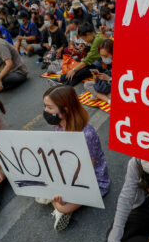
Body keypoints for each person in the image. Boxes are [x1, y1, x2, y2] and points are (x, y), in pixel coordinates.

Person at [41, 85, 110, 231]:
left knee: (61, 205)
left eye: (49, 107)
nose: (45, 111)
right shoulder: (58, 125)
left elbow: (85, 172)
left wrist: (63, 190)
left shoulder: (86, 134)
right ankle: (58, 204)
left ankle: (61, 208)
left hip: (90, 180)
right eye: (45, 106)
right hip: (67, 173)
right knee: (43, 188)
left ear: (65, 109)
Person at [83, 39, 113, 103]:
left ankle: (100, 95)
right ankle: (107, 99)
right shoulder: (101, 61)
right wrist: (95, 77)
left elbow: (122, 83)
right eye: (101, 55)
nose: (103, 58)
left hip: (113, 86)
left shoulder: (121, 63)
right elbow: (96, 83)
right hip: (104, 85)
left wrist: (109, 79)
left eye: (105, 55)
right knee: (87, 84)